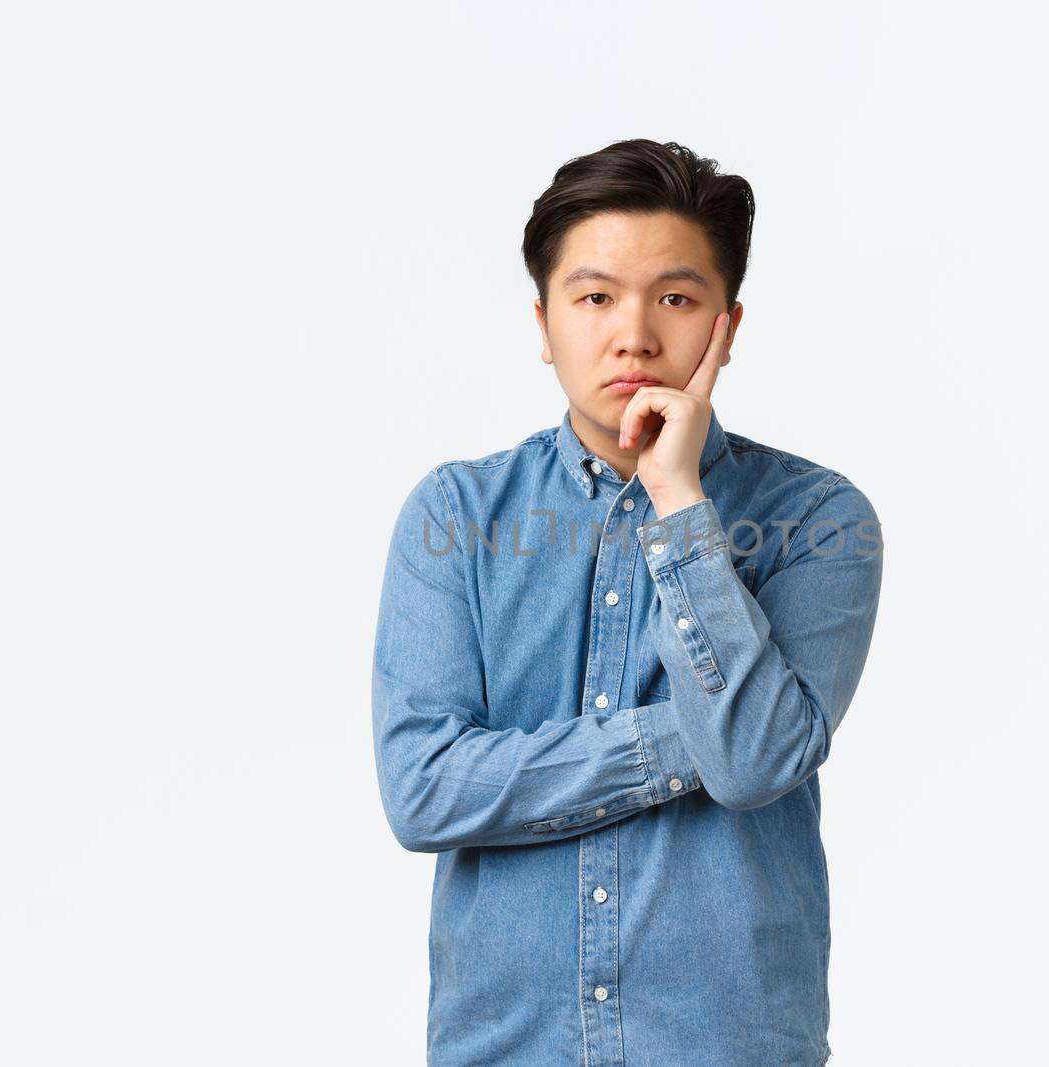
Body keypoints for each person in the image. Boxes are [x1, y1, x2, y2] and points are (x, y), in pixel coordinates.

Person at [370, 138, 884, 1066]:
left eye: (676, 299)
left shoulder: (817, 518)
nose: (635, 335)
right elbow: (423, 789)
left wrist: (680, 501)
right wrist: (700, 733)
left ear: (726, 326)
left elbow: (758, 764)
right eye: (596, 296)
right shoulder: (456, 516)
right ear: (544, 321)